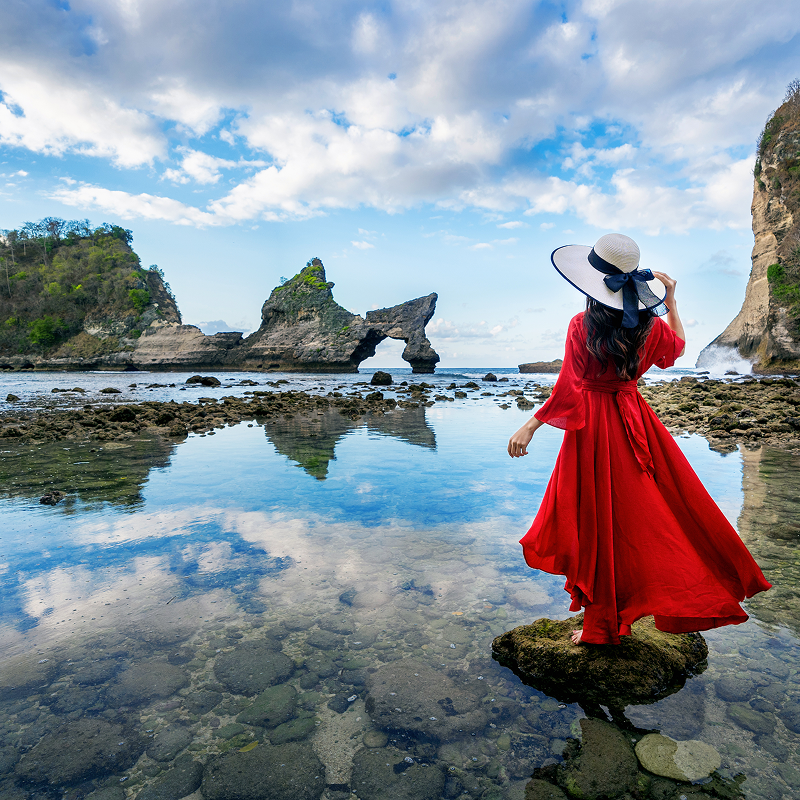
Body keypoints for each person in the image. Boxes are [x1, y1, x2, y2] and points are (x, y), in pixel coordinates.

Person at [507, 233, 770, 646]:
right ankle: (615, 617)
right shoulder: (650, 325)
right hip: (637, 424)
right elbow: (676, 350)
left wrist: (532, 424)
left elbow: (570, 386)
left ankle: (599, 627)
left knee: (595, 521)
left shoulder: (582, 324)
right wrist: (672, 303)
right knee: (648, 517)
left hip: (593, 429)